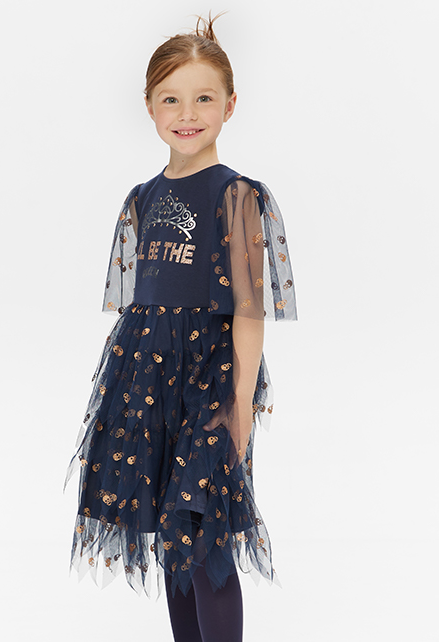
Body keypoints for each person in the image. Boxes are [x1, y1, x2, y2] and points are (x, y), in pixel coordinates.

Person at [64, 11, 297, 642]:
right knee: (170, 534)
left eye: (203, 98)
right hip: (144, 385)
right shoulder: (140, 199)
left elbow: (249, 310)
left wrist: (240, 403)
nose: (187, 113)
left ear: (230, 105)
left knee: (202, 529)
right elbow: (139, 307)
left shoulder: (237, 196)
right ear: (149, 106)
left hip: (210, 384)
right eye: (170, 98)